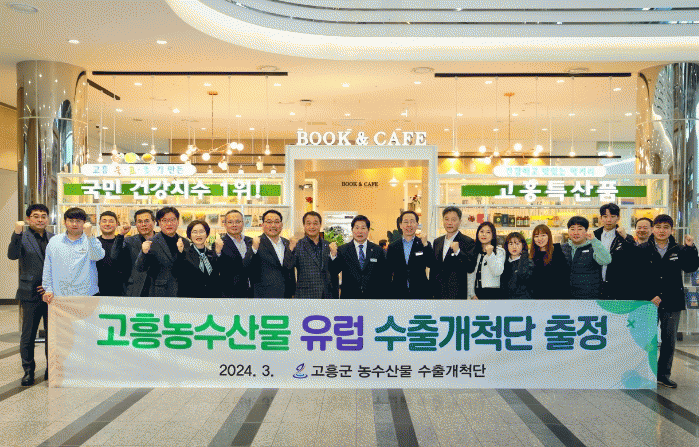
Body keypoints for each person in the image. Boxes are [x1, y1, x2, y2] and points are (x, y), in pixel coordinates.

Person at [637, 214, 699, 388]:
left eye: (666, 227)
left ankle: (663, 375)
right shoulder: (642, 249)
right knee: (646, 339)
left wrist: (691, 248)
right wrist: (650, 294)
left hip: (672, 300)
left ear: (671, 230)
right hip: (648, 301)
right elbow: (636, 275)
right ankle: (644, 374)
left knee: (669, 339)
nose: (662, 231)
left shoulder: (679, 249)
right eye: (658, 227)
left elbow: (691, 267)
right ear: (652, 229)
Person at [7, 204, 53, 386]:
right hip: (30, 293)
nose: (40, 219)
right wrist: (16, 234)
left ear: (48, 219)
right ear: (28, 219)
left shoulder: (54, 238)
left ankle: (52, 369)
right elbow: (12, 255)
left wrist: (49, 285)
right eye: (36, 216)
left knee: (53, 335)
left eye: (43, 216)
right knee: (28, 335)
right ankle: (28, 371)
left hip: (51, 295)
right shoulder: (22, 237)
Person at [43, 206, 104, 301]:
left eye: (78, 221)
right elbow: (48, 266)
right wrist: (48, 289)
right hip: (60, 295)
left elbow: (98, 256)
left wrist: (89, 236)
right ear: (65, 222)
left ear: (84, 223)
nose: (74, 224)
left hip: (87, 295)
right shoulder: (55, 241)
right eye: (71, 221)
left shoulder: (92, 240)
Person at [135, 206, 190, 297]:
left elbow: (188, 269)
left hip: (183, 291)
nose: (169, 223)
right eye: (164, 220)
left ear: (178, 222)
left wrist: (182, 253)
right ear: (159, 223)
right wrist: (144, 253)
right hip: (160, 293)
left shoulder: (185, 242)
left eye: (172, 220)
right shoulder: (151, 242)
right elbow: (140, 268)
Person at [330, 215, 387, 299]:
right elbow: (334, 271)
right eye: (356, 228)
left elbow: (384, 275)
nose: (360, 231)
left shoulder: (377, 250)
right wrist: (333, 256)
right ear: (352, 230)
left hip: (372, 297)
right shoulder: (343, 250)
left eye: (363, 228)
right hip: (349, 297)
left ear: (368, 230)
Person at [561, 216, 612, 300]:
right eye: (572, 229)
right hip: (566, 297)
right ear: (568, 231)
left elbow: (606, 260)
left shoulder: (594, 246)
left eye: (580, 229)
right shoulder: (562, 248)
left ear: (586, 231)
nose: (576, 232)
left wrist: (594, 240)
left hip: (589, 297)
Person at [386, 211, 433, 299]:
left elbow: (431, 263)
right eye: (406, 222)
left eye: (412, 221)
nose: (409, 225)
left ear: (417, 225)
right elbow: (388, 271)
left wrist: (425, 245)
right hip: (398, 292)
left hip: (420, 292)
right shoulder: (393, 247)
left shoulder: (424, 244)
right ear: (400, 225)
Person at [430, 206, 475, 299]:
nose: (449, 223)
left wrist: (458, 252)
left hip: (456, 295)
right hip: (438, 294)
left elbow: (470, 267)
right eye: (446, 219)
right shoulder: (437, 241)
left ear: (460, 222)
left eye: (453, 220)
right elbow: (434, 269)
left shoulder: (468, 241)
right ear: (443, 221)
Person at [594, 203, 635, 300]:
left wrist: (626, 237)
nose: (608, 220)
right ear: (601, 218)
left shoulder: (625, 237)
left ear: (618, 218)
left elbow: (634, 256)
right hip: (596, 285)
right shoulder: (594, 236)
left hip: (618, 286)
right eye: (605, 216)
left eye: (612, 216)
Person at [250, 209, 295, 298]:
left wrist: (293, 292)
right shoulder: (255, 243)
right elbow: (246, 266)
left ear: (281, 225)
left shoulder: (287, 243)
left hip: (286, 295)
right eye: (269, 222)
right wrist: (254, 249)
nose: (273, 225)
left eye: (277, 222)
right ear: (263, 225)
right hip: (263, 296)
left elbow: (290, 270)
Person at [292, 211, 337, 299]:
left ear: (320, 225)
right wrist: (290, 250)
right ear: (304, 225)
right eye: (308, 223)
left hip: (327, 295)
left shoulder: (328, 246)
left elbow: (334, 271)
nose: (312, 227)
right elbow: (289, 267)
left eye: (315, 223)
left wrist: (334, 256)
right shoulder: (298, 245)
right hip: (305, 295)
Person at [111, 209, 155, 296]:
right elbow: (114, 257)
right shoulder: (130, 241)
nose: (143, 224)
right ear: (136, 224)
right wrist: (121, 235)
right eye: (140, 222)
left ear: (154, 222)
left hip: (156, 290)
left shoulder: (160, 241)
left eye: (147, 221)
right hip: (135, 290)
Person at [174, 220, 222, 298]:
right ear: (189, 235)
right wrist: (179, 253)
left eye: (202, 232)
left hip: (211, 298)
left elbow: (217, 277)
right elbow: (178, 274)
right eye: (194, 232)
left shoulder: (212, 254)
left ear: (207, 234)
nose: (198, 235)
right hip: (191, 299)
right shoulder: (184, 254)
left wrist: (218, 253)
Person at [218, 209, 254, 297]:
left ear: (243, 223)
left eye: (238, 222)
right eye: (230, 222)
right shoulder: (219, 244)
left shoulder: (251, 242)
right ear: (225, 225)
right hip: (230, 295)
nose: (234, 225)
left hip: (252, 293)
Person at [530, 224, 570, 300]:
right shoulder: (533, 254)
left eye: (543, 235)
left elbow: (564, 277)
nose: (539, 239)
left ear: (549, 236)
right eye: (536, 236)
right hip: (538, 297)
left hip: (556, 297)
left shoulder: (557, 251)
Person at [467, 221, 505, 299]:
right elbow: (470, 274)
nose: (484, 234)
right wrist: (472, 294)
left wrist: (490, 254)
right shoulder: (474, 252)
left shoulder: (499, 251)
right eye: (481, 232)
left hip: (493, 292)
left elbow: (497, 272)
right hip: (476, 293)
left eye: (488, 232)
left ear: (493, 235)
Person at [96, 211, 124, 296]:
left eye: (111, 221)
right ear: (99, 224)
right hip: (96, 290)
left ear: (117, 224)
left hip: (120, 291)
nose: (107, 224)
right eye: (104, 221)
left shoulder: (123, 243)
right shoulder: (94, 243)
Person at [501, 232, 534, 299]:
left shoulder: (527, 262)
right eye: (511, 244)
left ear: (523, 245)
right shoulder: (503, 262)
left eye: (517, 244)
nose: (514, 247)